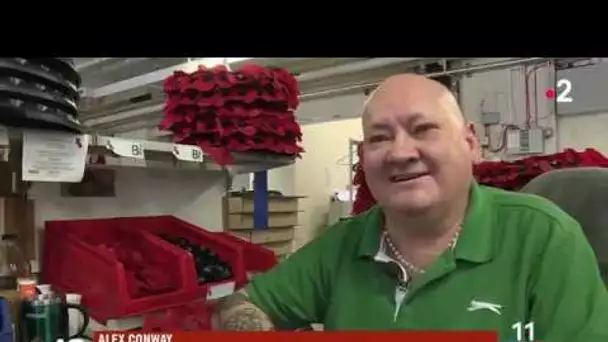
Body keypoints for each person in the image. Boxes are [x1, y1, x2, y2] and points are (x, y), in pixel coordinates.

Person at [213, 74, 608, 340]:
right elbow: (242, 304)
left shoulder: (545, 239)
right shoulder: (341, 246)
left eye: (423, 130)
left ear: (470, 142)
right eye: (380, 138)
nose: (400, 153)